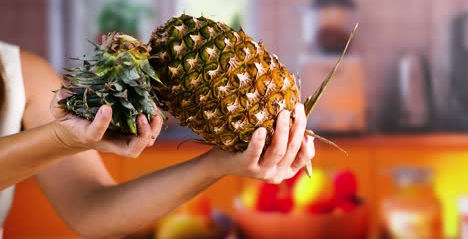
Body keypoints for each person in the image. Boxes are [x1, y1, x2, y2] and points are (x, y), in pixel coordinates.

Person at [0, 40, 315, 238]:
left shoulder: (26, 74)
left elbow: (93, 212)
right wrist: (63, 138)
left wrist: (214, 165)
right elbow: (64, 138)